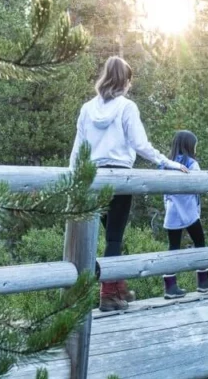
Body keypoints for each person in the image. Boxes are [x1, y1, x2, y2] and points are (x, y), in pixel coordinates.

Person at [70, 56, 188, 312]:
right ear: (125, 81)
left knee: (110, 235)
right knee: (114, 237)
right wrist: (166, 162)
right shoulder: (126, 107)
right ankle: (108, 294)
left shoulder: (87, 109)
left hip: (93, 178)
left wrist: (72, 178)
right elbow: (140, 144)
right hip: (120, 179)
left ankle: (118, 287)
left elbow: (78, 149)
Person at [162, 130, 208, 299]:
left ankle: (170, 286)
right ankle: (203, 281)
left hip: (172, 211)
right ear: (190, 146)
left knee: (173, 248)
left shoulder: (167, 164)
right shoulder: (191, 163)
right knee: (200, 242)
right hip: (190, 212)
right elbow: (202, 182)